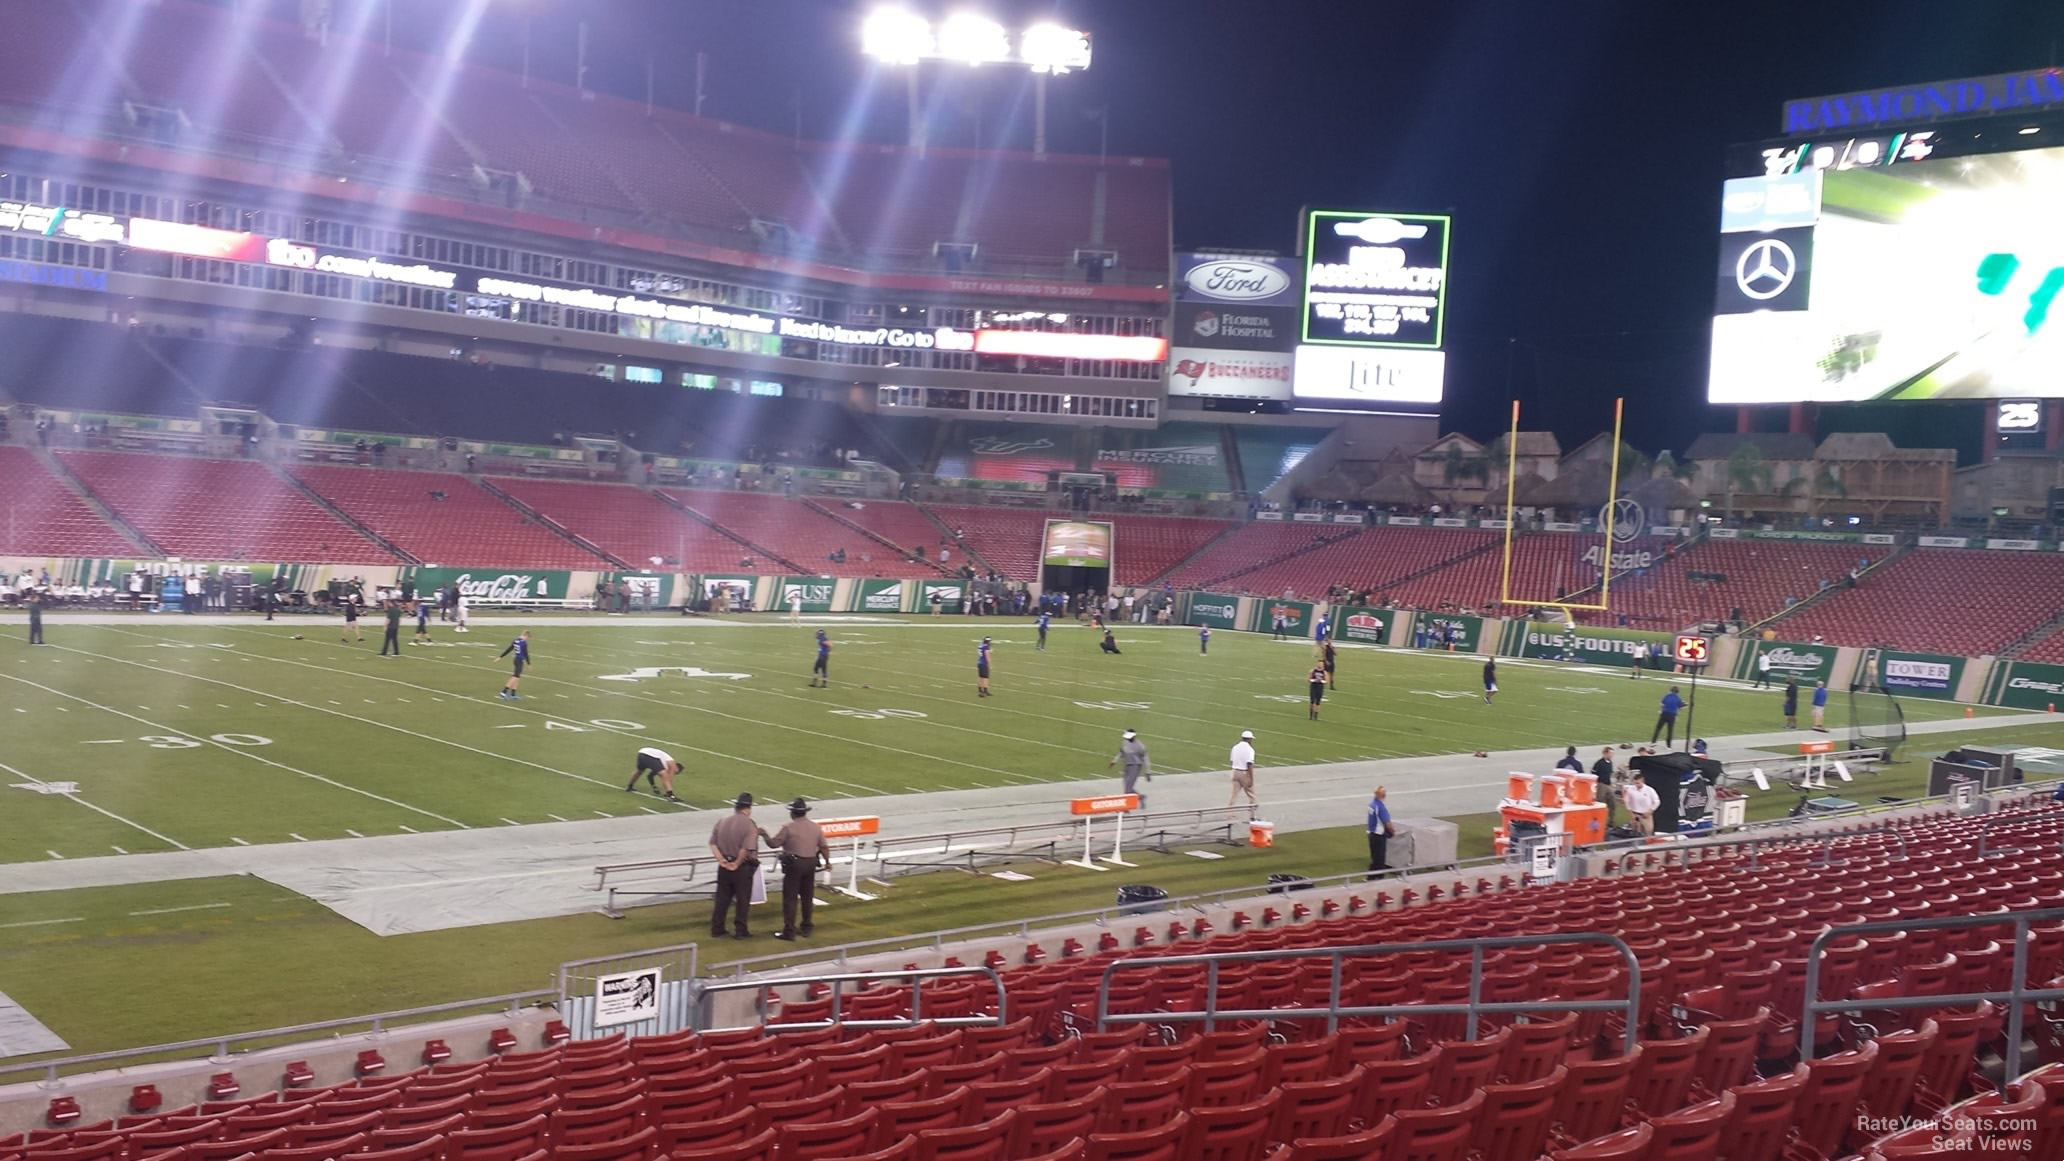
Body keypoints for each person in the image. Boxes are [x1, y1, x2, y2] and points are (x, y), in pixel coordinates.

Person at [761, 797, 828, 940]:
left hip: (795, 864)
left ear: (793, 813)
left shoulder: (789, 827)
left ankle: (789, 931)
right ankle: (807, 927)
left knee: (790, 899)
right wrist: (828, 862)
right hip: (810, 863)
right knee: (807, 897)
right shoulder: (815, 827)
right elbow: (823, 847)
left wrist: (764, 834)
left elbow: (773, 844)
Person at [708, 793, 759, 939]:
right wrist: (736, 863)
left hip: (724, 866)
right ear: (748, 808)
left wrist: (722, 860)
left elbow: (712, 843)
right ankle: (741, 930)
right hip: (741, 867)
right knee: (742, 900)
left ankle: (717, 928)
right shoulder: (749, 824)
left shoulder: (722, 821)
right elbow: (747, 848)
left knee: (722, 898)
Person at [1110, 729, 1150, 809]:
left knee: (1128, 788)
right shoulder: (1125, 743)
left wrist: (1148, 772)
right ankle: (1140, 797)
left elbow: (1145, 758)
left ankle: (1126, 807)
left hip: (1135, 766)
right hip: (1127, 765)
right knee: (1127, 786)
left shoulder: (1140, 746)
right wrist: (1114, 761)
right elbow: (1121, 753)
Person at [1366, 786, 1394, 876]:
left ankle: (1371, 876)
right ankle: (1378, 878)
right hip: (1379, 835)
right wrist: (1392, 831)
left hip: (1371, 833)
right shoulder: (1380, 807)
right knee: (1380, 858)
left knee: (1374, 857)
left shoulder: (1371, 804)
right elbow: (1386, 822)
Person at [1229, 729, 1258, 814]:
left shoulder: (1235, 747)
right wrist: (1251, 778)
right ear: (1249, 739)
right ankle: (1252, 816)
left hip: (1235, 772)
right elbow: (1249, 764)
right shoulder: (1250, 749)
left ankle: (1230, 814)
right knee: (1252, 796)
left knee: (1234, 795)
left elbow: (1232, 760)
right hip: (1244, 773)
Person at [1623, 771, 1660, 837]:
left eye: (1638, 783)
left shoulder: (1649, 790)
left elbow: (1657, 801)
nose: (1636, 785)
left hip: (1646, 815)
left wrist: (1650, 811)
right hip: (1635, 815)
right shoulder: (1630, 789)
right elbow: (1627, 801)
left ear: (1642, 781)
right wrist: (1631, 813)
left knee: (1648, 833)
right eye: (1635, 783)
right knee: (1635, 834)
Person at [497, 630, 531, 699]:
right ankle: (504, 691)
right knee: (515, 677)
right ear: (526, 635)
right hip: (519, 660)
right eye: (527, 637)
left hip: (516, 659)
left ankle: (513, 694)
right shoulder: (523, 643)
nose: (527, 639)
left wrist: (500, 657)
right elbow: (526, 654)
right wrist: (529, 663)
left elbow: (509, 649)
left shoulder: (515, 640)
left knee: (517, 677)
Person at [1591, 747, 1618, 826]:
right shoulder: (1599, 763)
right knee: (1600, 803)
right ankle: (1598, 820)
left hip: (1608, 785)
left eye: (1612, 753)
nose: (1612, 755)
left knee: (1612, 803)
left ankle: (1611, 822)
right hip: (1601, 785)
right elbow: (1593, 773)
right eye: (1610, 753)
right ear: (1605, 753)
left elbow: (1610, 774)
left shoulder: (1610, 763)